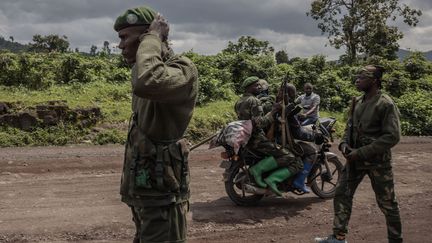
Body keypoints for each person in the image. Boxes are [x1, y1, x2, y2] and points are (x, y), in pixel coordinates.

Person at [114, 6, 198, 243]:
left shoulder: (181, 70)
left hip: (163, 198)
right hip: (146, 194)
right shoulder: (144, 69)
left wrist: (152, 38)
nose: (120, 45)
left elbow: (147, 81)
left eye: (124, 38)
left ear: (146, 38)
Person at [315, 65, 402, 243]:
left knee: (387, 204)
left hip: (377, 162)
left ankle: (395, 240)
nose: (357, 80)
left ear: (375, 80)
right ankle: (338, 238)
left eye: (362, 77)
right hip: (354, 160)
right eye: (357, 77)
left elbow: (392, 136)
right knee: (341, 194)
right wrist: (344, 144)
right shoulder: (358, 102)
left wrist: (361, 152)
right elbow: (350, 126)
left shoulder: (385, 103)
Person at [235, 76, 303, 196]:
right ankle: (266, 175)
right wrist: (273, 111)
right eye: (256, 85)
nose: (259, 87)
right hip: (257, 139)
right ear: (249, 87)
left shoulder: (239, 101)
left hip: (247, 138)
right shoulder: (254, 101)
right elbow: (259, 123)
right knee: (291, 157)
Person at [275, 83, 324, 193]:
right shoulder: (288, 109)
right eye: (293, 93)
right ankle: (300, 181)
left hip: (277, 137)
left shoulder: (276, 104)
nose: (295, 95)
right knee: (312, 152)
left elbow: (314, 108)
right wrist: (313, 135)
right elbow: (299, 133)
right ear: (289, 94)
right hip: (284, 140)